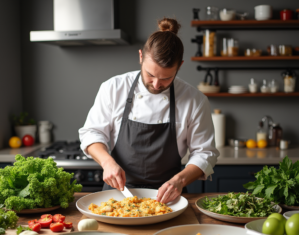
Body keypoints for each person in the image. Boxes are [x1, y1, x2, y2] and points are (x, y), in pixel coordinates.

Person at [79, 18, 219, 203]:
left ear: (180, 66)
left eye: (166, 78)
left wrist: (179, 180)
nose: (156, 84)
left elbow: (205, 153)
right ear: (140, 57)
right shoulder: (113, 88)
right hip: (117, 196)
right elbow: (92, 133)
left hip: (168, 199)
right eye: (150, 74)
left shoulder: (195, 100)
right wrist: (107, 162)